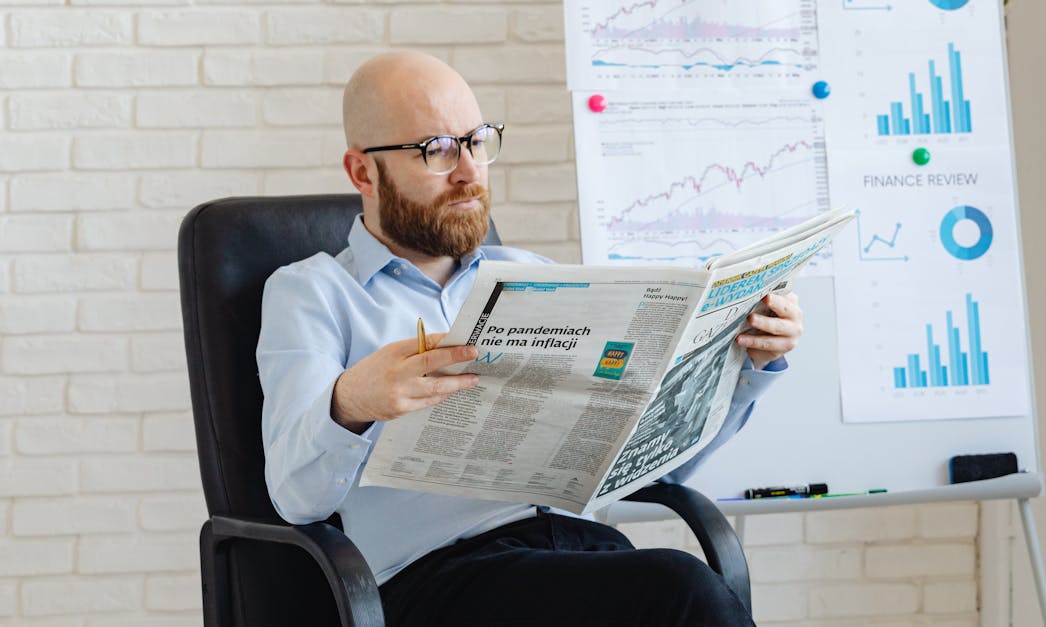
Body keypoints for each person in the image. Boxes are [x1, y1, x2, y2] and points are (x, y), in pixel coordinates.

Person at [257, 51, 805, 627]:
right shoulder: (312, 292)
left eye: (476, 140)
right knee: (682, 588)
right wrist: (352, 402)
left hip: (581, 555)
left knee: (674, 588)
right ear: (363, 173)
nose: (469, 171)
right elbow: (296, 498)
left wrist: (747, 369)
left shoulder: (532, 273)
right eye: (436, 150)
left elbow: (654, 477)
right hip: (438, 579)